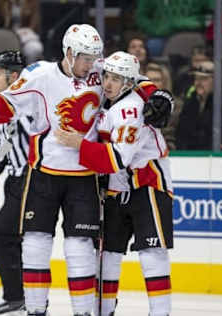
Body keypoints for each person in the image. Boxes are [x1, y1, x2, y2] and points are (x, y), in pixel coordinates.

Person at [0, 24, 173, 316]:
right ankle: (35, 309)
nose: (92, 65)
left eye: (95, 58)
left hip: (84, 177)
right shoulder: (39, 75)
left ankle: (84, 313)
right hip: (43, 174)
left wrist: (159, 96)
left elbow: (133, 80)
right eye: (86, 58)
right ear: (70, 53)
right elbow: (7, 106)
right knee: (35, 244)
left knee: (80, 250)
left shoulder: (99, 70)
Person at [54, 51, 174, 316]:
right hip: (115, 189)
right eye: (107, 76)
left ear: (129, 83)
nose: (107, 83)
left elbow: (117, 159)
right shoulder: (107, 99)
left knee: (152, 254)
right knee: (107, 257)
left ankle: (160, 312)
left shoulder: (131, 109)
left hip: (147, 184)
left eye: (116, 79)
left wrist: (79, 144)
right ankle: (104, 311)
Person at [0, 50, 30, 315]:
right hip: (16, 179)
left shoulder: (25, 102)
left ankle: (17, 297)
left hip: (29, 181)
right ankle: (21, 296)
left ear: (14, 76)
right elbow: (7, 140)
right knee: (13, 238)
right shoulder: (6, 101)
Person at [176, 61, 222, 150]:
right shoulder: (189, 103)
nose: (198, 83)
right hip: (191, 158)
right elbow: (181, 134)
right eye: (196, 78)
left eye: (204, 79)